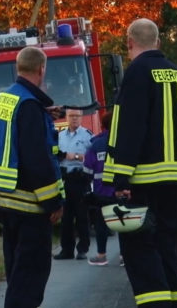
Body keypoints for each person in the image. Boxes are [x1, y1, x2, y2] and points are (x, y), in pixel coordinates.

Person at [103, 18, 177, 307]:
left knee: (140, 249)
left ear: (129, 43)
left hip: (144, 177)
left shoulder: (137, 72)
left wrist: (121, 177)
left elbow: (131, 126)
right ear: (158, 42)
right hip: (173, 176)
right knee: (168, 246)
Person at [0, 46, 64, 308]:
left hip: (7, 203)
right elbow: (36, 159)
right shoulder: (29, 105)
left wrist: (43, 115)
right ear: (41, 69)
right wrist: (53, 202)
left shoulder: (5, 99)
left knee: (17, 276)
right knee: (29, 281)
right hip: (30, 206)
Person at [53, 108, 93, 260]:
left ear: (81, 118)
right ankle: (66, 250)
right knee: (66, 217)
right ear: (66, 118)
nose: (74, 119)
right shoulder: (59, 136)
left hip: (80, 178)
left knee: (82, 216)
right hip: (64, 179)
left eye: (77, 116)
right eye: (71, 116)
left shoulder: (88, 136)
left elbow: (91, 158)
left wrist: (75, 156)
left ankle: (82, 249)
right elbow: (54, 154)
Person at [81, 109, 118, 266]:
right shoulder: (123, 141)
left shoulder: (96, 144)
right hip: (120, 190)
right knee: (122, 222)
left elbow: (87, 170)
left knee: (101, 224)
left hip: (101, 192)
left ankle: (101, 255)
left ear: (102, 125)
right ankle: (124, 256)